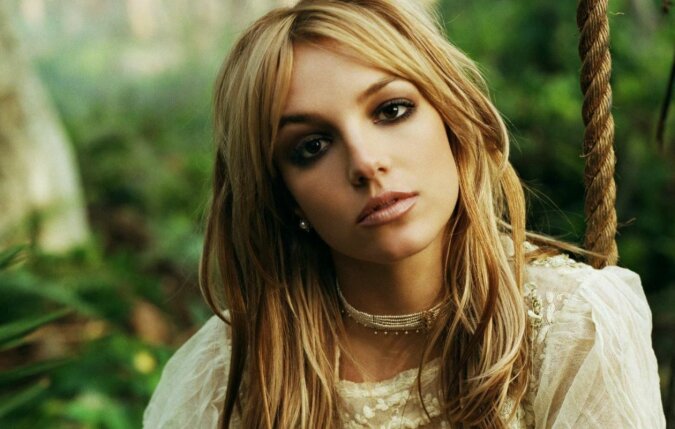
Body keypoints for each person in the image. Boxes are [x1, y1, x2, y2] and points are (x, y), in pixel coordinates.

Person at [143, 0, 666, 427]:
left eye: (391, 110)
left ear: (452, 118)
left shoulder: (574, 324)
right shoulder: (224, 374)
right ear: (283, 195)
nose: (365, 163)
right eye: (312, 146)